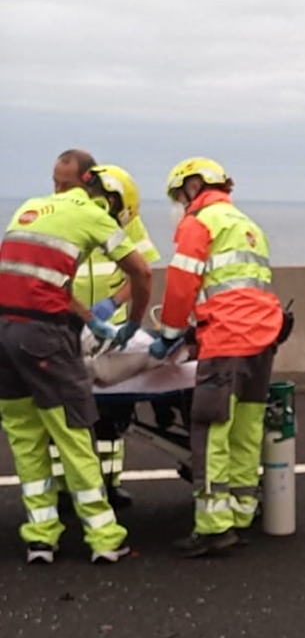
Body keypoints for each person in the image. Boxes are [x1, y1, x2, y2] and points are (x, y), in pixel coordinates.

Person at [0, 165, 151, 564]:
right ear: (110, 200)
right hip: (43, 336)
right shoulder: (92, 213)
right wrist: (133, 323)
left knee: (26, 438)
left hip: (5, 332)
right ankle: (104, 538)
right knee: (73, 433)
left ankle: (40, 538)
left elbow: (51, 282)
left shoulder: (31, 209)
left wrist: (89, 320)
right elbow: (141, 271)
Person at [150, 158, 283, 557]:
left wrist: (170, 334)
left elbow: (181, 284)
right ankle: (241, 514)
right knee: (246, 428)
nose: (180, 204)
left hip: (226, 338)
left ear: (192, 186)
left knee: (210, 429)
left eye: (179, 195)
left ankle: (212, 527)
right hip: (262, 337)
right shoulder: (247, 225)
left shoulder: (200, 222)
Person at [72, 164, 161, 508]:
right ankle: (66, 488)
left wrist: (114, 303)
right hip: (68, 325)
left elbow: (142, 272)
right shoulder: (68, 218)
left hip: (113, 331)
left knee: (111, 416)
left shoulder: (128, 220)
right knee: (65, 415)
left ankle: (111, 482)